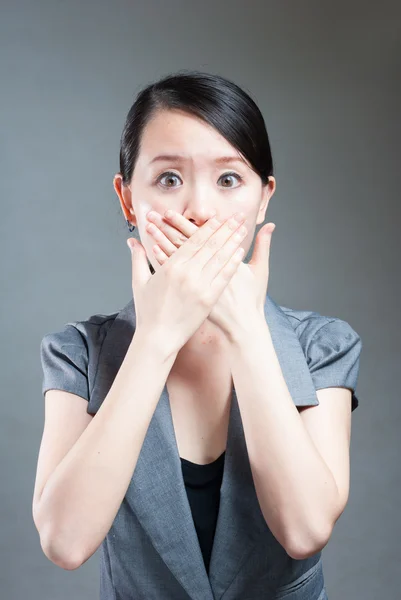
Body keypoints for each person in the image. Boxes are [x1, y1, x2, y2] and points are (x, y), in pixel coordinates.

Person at [33, 70, 362, 600]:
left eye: (229, 180)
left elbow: (304, 530)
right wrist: (156, 337)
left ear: (262, 200)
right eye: (168, 179)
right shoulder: (78, 353)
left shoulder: (322, 346)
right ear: (127, 200)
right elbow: (64, 542)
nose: (200, 211)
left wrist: (247, 331)